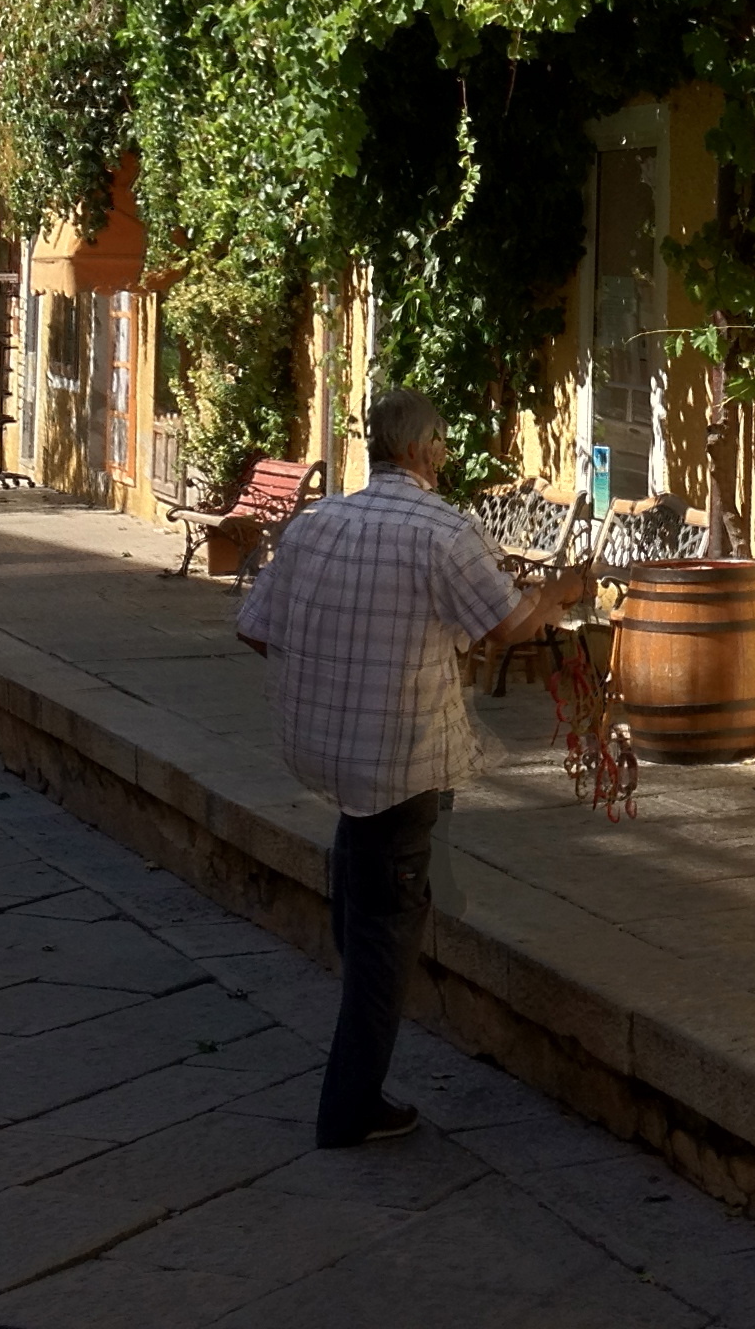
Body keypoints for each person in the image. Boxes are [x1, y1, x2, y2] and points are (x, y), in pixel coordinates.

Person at [236, 389, 591, 1148]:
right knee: (387, 932)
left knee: (361, 880)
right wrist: (559, 595)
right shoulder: (441, 529)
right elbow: (505, 628)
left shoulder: (320, 521)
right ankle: (350, 1106)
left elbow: (256, 629)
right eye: (444, 449)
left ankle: (355, 952)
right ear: (427, 451)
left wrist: (338, 668)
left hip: (328, 745)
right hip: (397, 753)